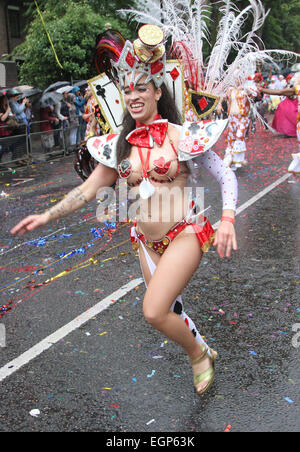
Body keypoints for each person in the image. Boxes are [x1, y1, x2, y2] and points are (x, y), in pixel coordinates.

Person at [10, 25, 238, 396]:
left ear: (157, 91)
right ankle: (202, 346)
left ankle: (198, 355)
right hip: (145, 242)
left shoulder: (180, 135)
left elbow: (225, 174)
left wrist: (227, 219)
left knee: (154, 310)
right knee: (169, 308)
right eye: (127, 89)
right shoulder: (121, 147)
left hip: (184, 233)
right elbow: (87, 191)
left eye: (140, 88)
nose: (132, 95)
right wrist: (48, 216)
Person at [260, 72, 300, 174]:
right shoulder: (297, 89)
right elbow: (280, 92)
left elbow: (280, 92)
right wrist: (261, 90)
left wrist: (261, 90)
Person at [0, 91, 14, 162]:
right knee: (3, 146)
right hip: (2, 130)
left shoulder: (5, 107)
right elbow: (2, 118)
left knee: (5, 146)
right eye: (5, 99)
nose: (6, 101)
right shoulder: (0, 108)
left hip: (6, 129)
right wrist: (8, 111)